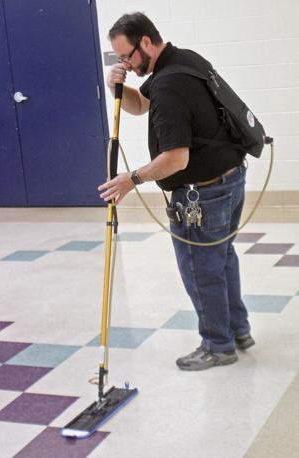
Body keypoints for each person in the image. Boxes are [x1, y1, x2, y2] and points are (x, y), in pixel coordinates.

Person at [98, 12, 255, 371]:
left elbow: (175, 159)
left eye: (127, 56)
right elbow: (142, 106)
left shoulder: (169, 84)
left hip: (202, 194)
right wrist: (117, 87)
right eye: (119, 58)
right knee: (222, 259)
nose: (125, 63)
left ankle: (218, 344)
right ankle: (237, 330)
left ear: (147, 43)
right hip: (229, 180)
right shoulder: (183, 61)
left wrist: (131, 180)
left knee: (201, 268)